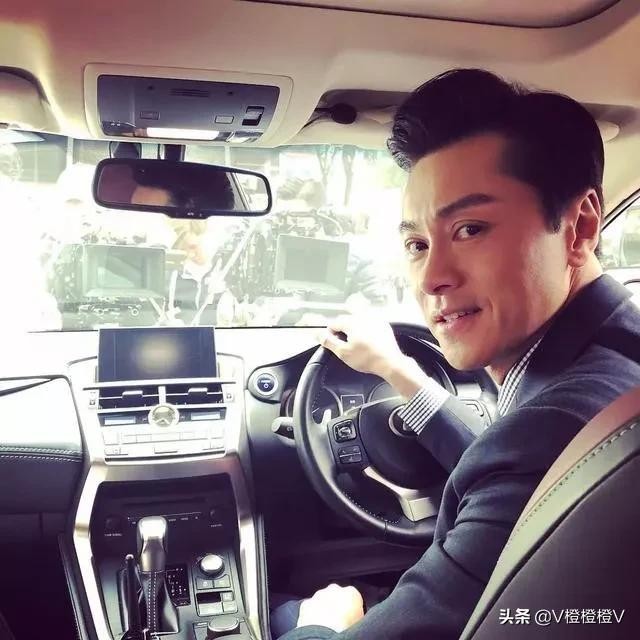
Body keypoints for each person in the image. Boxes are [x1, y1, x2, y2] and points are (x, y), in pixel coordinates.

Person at [272, 69, 640, 639]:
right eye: (417, 244)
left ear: (580, 227)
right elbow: (501, 464)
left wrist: (321, 625)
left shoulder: (552, 430)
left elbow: (523, 458)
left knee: (287, 614)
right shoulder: (613, 358)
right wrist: (395, 370)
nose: (431, 278)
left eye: (470, 229)